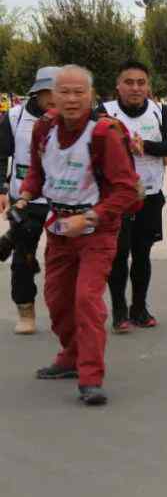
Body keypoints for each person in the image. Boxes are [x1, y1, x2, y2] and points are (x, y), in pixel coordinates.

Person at [17, 65, 141, 406]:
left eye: (79, 93)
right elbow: (37, 174)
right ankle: (70, 357)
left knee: (86, 299)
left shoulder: (104, 134)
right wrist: (25, 196)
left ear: (91, 95)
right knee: (57, 299)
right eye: (64, 92)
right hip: (58, 229)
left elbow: (126, 190)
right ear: (51, 97)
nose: (71, 99)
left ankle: (90, 377)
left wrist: (91, 216)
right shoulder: (43, 129)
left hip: (96, 231)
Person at [100, 61, 167, 332]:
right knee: (118, 255)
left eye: (141, 82)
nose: (135, 88)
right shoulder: (104, 113)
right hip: (115, 199)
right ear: (118, 86)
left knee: (142, 254)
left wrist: (144, 146)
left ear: (148, 86)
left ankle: (139, 308)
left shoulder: (160, 111)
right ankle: (119, 311)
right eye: (129, 82)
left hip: (150, 195)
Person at [0, 67, 60, 334]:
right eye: (50, 91)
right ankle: (25, 311)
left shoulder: (71, 118)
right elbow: (1, 154)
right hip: (25, 198)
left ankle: (66, 312)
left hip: (62, 199)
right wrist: (2, 189)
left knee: (64, 260)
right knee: (23, 258)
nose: (55, 97)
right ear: (38, 91)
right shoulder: (15, 117)